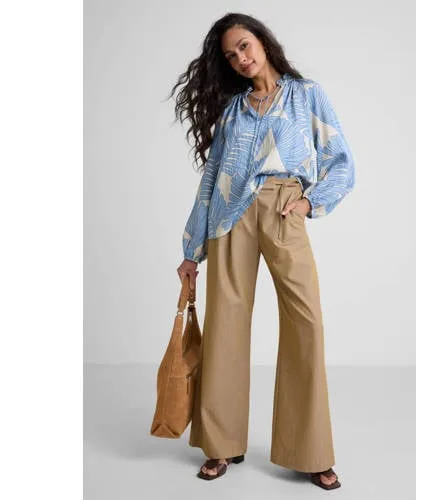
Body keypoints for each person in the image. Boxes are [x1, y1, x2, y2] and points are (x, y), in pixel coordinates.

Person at [169, 12, 355, 491]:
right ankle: (221, 443)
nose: (241, 58)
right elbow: (211, 180)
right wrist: (192, 250)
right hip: (230, 215)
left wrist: (309, 201)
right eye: (231, 55)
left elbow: (341, 162)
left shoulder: (305, 95)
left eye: (245, 45)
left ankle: (309, 451)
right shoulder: (233, 110)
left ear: (263, 42)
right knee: (226, 326)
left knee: (306, 322)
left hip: (283, 207)